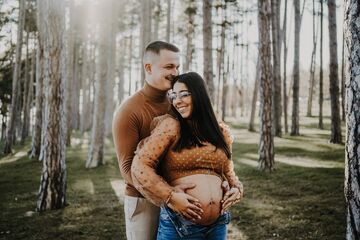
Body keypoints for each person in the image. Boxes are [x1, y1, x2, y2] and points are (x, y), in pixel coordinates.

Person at [131, 72, 244, 240]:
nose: (177, 101)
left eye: (184, 94)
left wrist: (236, 189)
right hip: (179, 224)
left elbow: (228, 170)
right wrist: (170, 196)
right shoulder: (171, 126)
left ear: (199, 95)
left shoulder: (220, 132)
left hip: (218, 223)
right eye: (173, 95)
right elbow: (140, 166)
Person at [112, 41, 200, 240]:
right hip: (144, 202)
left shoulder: (179, 104)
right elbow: (127, 169)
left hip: (183, 197)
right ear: (148, 68)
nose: (175, 72)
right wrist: (168, 194)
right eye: (169, 66)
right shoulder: (129, 111)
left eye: (178, 66)